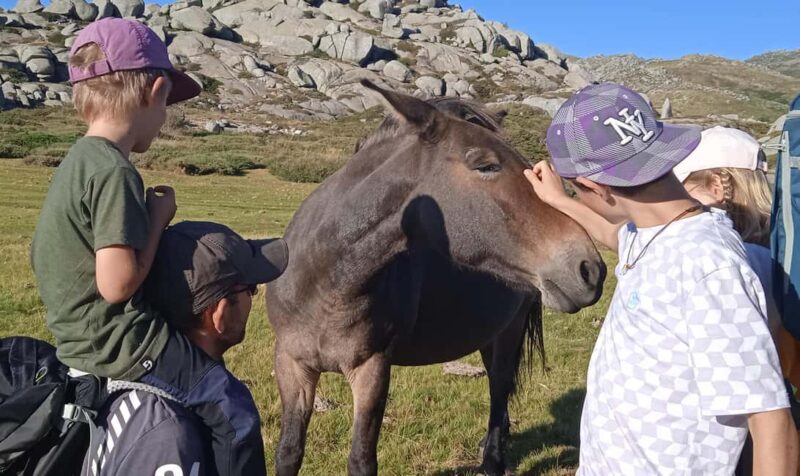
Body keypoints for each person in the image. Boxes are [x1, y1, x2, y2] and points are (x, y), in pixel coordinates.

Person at [29, 18, 279, 475]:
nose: (164, 120)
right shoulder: (113, 171)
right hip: (121, 342)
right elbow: (117, 283)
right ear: (156, 90)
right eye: (167, 104)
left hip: (79, 341)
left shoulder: (77, 162)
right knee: (232, 408)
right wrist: (159, 220)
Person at [523, 83, 797, 474]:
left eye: (577, 189)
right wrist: (560, 200)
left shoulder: (708, 267)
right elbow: (615, 235)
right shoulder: (656, 233)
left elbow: (770, 421)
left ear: (597, 188)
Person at [81, 221, 288, 475]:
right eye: (251, 289)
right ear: (218, 314)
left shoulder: (149, 393)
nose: (253, 298)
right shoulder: (168, 434)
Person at [672, 125, 800, 474]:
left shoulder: (727, 263)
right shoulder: (775, 256)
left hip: (735, 439)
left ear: (716, 187)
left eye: (682, 187)